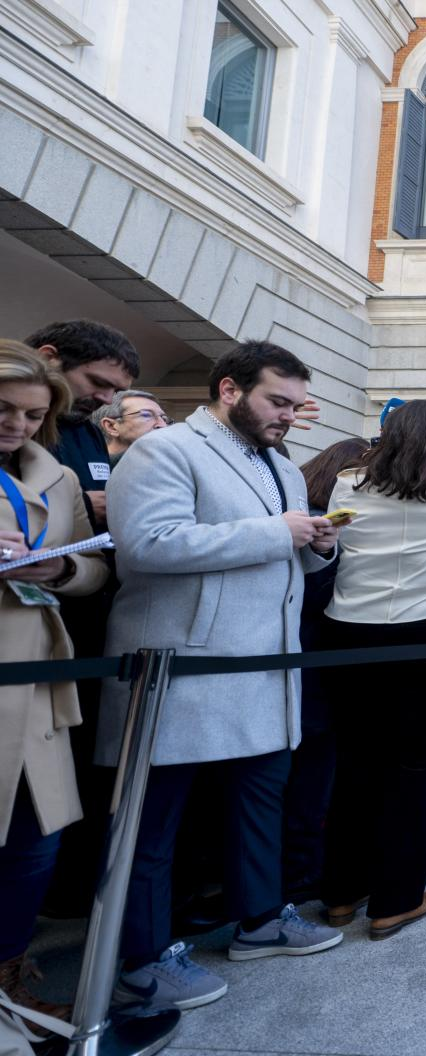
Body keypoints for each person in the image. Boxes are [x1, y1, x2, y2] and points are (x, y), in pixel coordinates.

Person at [103, 341, 343, 1011]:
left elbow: (289, 557)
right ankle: (142, 960)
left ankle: (261, 921)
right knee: (153, 826)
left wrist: (321, 547)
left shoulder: (284, 469)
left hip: (265, 669)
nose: (289, 416)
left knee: (259, 805)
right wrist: (277, 533)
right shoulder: (166, 449)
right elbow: (147, 545)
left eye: (296, 406)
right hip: (181, 668)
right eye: (277, 401)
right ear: (231, 390)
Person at [317, 403, 426, 938]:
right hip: (423, 636)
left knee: (354, 763)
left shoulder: (348, 484)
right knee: (410, 769)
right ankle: (395, 898)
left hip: (350, 631)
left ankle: (340, 893)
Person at [0, 342, 109, 1020]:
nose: (17, 426)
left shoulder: (54, 474)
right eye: (4, 410)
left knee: (35, 844)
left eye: (33, 416)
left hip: (36, 679)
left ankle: (9, 978)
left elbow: (92, 568)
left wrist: (60, 572)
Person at [280, 436, 369, 906]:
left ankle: (309, 867)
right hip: (310, 660)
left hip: (328, 662)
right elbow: (309, 597)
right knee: (308, 778)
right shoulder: (310, 517)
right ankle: (299, 875)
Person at [25, 320, 139, 531]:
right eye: (98, 382)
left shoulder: (89, 432)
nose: (107, 399)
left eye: (116, 391)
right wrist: (79, 508)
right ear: (48, 359)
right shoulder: (11, 430)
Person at [90, 390, 170, 463]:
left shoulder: (169, 467)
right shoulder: (83, 470)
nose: (163, 425)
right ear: (111, 426)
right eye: (147, 415)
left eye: (164, 418)